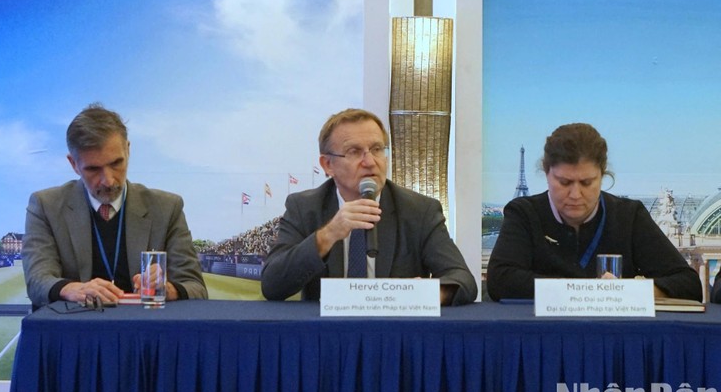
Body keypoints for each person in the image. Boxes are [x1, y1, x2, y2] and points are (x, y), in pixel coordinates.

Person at [261, 108, 477, 306]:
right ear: (328, 165)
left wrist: (425, 294)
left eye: (376, 149)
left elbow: (463, 280)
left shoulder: (420, 211)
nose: (370, 161)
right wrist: (327, 235)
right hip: (327, 334)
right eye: (354, 151)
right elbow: (272, 285)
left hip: (395, 333)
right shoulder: (304, 207)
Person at [487, 123, 702, 301]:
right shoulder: (524, 213)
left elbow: (689, 285)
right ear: (546, 173)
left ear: (602, 175)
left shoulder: (629, 216)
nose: (575, 194)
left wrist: (632, 292)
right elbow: (500, 281)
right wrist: (592, 292)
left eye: (587, 182)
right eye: (564, 182)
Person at [22, 103, 207, 309]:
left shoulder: (167, 208)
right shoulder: (45, 206)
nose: (108, 180)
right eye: (93, 169)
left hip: (147, 333)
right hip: (77, 332)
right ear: (73, 164)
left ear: (128, 150)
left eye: (116, 163)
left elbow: (196, 287)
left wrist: (167, 289)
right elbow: (38, 281)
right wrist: (72, 289)